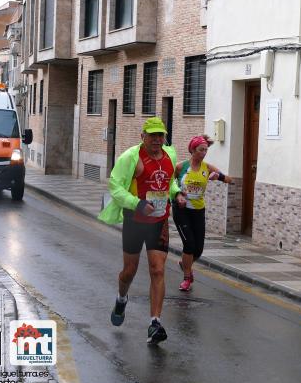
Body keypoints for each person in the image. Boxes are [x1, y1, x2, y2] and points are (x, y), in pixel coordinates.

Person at [98, 117, 186, 345]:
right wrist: (137, 203)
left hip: (159, 221)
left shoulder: (170, 156)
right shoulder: (131, 158)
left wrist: (177, 194)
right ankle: (121, 298)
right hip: (135, 220)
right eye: (152, 135)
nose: (157, 140)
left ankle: (154, 322)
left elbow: (170, 183)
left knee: (157, 270)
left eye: (161, 135)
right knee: (129, 271)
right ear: (143, 137)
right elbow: (115, 186)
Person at [173, 135, 232, 292]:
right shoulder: (180, 167)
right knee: (189, 244)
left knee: (198, 249)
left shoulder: (207, 168)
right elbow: (169, 183)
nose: (204, 153)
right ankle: (187, 278)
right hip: (182, 210)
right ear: (193, 150)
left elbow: (230, 179)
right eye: (201, 150)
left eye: (206, 150)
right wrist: (177, 195)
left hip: (198, 211)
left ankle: (185, 264)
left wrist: (218, 176)